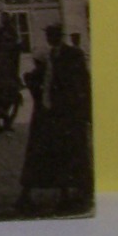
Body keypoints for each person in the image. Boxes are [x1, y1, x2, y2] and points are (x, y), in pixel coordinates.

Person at [18, 25, 93, 212]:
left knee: (71, 152)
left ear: (60, 36)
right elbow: (39, 78)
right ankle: (31, 195)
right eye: (48, 35)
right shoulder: (48, 55)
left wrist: (82, 109)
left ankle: (78, 192)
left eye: (53, 35)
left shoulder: (72, 55)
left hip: (66, 113)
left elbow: (81, 82)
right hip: (47, 114)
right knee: (44, 154)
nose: (50, 38)